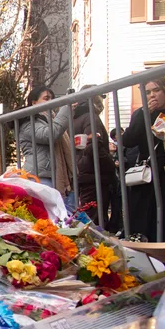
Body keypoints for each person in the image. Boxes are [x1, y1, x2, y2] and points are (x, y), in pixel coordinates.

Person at [122, 77, 165, 242]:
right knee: (145, 221)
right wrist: (144, 114)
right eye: (147, 92)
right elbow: (129, 140)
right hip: (148, 176)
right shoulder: (141, 113)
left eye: (156, 90)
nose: (152, 95)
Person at [18, 86, 74, 208]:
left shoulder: (49, 120)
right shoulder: (28, 122)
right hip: (39, 176)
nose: (51, 101)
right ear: (34, 102)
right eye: (46, 98)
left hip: (51, 174)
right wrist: (66, 109)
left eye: (52, 98)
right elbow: (50, 134)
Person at [72, 89, 117, 228]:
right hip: (94, 175)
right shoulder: (90, 117)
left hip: (82, 173)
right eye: (101, 97)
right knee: (94, 221)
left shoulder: (74, 119)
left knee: (86, 218)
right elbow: (93, 146)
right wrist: (110, 164)